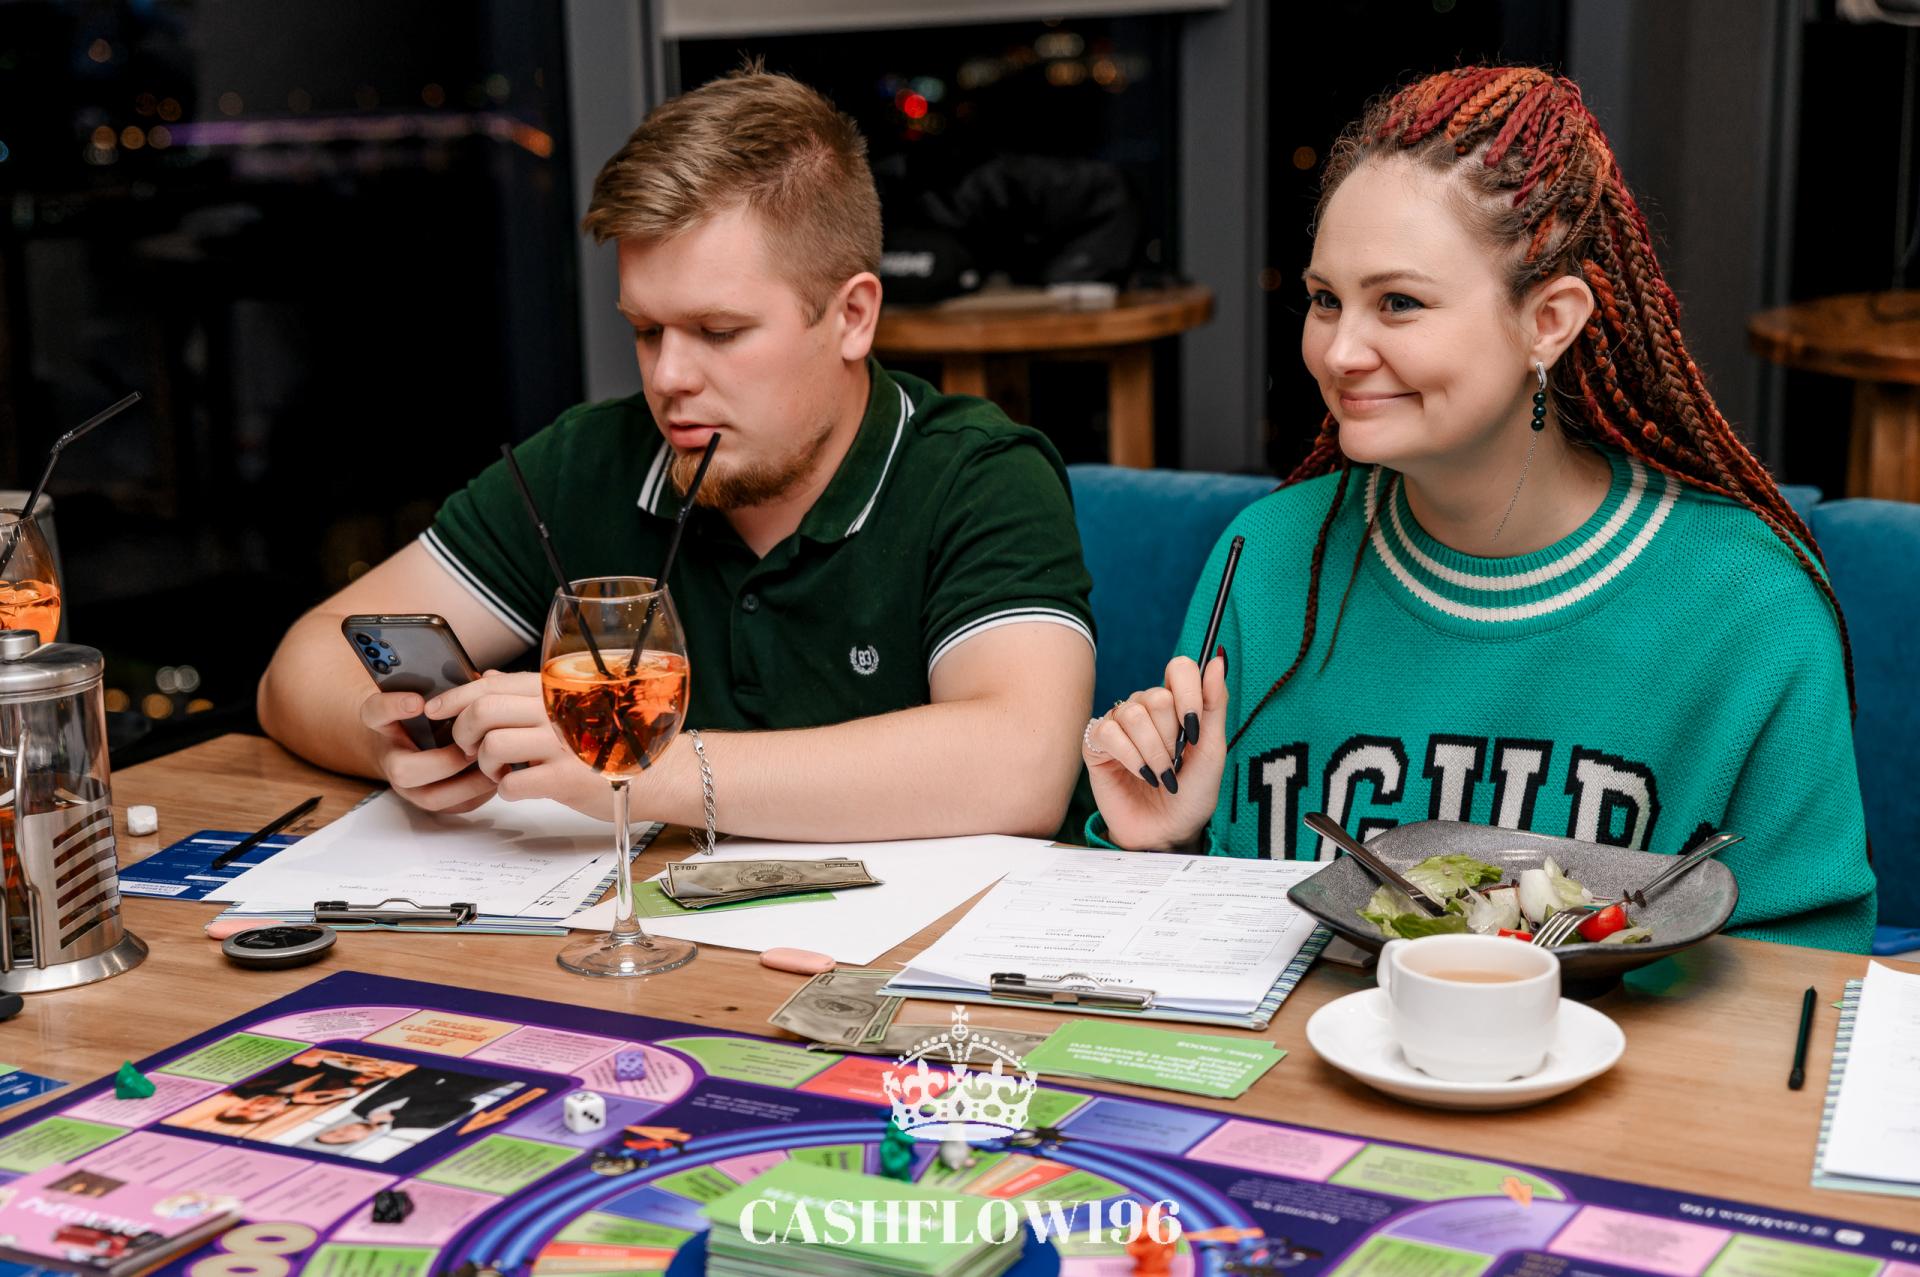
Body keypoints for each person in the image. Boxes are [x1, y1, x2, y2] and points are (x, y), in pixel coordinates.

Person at [1083, 67, 1875, 951]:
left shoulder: (1748, 607)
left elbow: (1809, 976)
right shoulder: (1268, 557)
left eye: (1399, 303)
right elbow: (1191, 953)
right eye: (1326, 300)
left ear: (1549, 321)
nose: (1340, 351)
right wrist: (1161, 846)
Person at [256, 67, 1095, 842]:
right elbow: (301, 665)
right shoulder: (590, 459)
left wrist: (640, 765)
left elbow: (1022, 765)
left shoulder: (979, 474)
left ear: (852, 317)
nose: (668, 378)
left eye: (718, 331)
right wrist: (396, 741)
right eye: (647, 330)